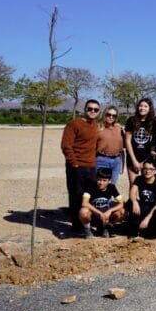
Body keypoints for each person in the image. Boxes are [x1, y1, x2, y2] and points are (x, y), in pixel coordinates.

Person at [61, 99, 100, 232]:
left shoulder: (95, 126)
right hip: (76, 166)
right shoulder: (74, 124)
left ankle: (87, 222)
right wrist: (74, 164)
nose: (92, 111)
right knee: (76, 196)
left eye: (95, 109)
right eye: (90, 109)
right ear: (85, 109)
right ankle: (77, 227)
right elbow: (66, 145)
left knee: (89, 195)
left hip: (91, 166)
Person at [78, 168, 125, 238]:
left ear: (109, 181)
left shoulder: (112, 187)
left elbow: (121, 203)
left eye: (104, 180)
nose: (101, 183)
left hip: (106, 216)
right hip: (94, 215)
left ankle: (107, 228)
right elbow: (84, 203)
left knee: (122, 211)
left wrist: (110, 211)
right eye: (99, 179)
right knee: (83, 211)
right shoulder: (91, 186)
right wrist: (99, 213)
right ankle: (87, 230)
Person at [128, 160, 156, 238]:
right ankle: (134, 229)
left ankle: (146, 229)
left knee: (151, 234)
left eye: (151, 169)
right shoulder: (139, 179)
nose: (147, 171)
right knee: (130, 203)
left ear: (155, 171)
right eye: (145, 169)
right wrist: (134, 202)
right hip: (142, 207)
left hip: (153, 210)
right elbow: (132, 192)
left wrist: (147, 218)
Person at [124, 98, 155, 187]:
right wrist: (134, 161)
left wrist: (145, 161)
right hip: (133, 158)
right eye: (141, 106)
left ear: (150, 109)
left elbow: (153, 144)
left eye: (145, 106)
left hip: (147, 159)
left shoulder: (153, 123)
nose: (142, 108)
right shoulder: (131, 120)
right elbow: (127, 141)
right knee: (133, 185)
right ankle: (133, 201)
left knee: (147, 186)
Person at [95, 105, 124, 185]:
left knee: (112, 186)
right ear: (104, 114)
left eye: (114, 115)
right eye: (109, 114)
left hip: (117, 161)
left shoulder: (118, 128)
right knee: (100, 186)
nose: (111, 117)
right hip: (102, 159)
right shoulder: (98, 128)